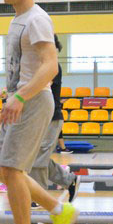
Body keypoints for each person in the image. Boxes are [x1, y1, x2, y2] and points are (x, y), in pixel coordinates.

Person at [0, 0, 77, 224]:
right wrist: (12, 95)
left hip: (33, 101)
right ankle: (58, 209)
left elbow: (50, 66)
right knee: (1, 168)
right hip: (18, 100)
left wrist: (21, 97)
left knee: (13, 170)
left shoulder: (37, 19)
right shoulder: (18, 19)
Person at [28, 36, 79, 201]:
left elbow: (41, 86)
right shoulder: (40, 65)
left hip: (51, 117)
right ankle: (69, 180)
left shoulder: (52, 65)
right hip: (39, 117)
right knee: (36, 157)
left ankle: (38, 196)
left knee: (38, 158)